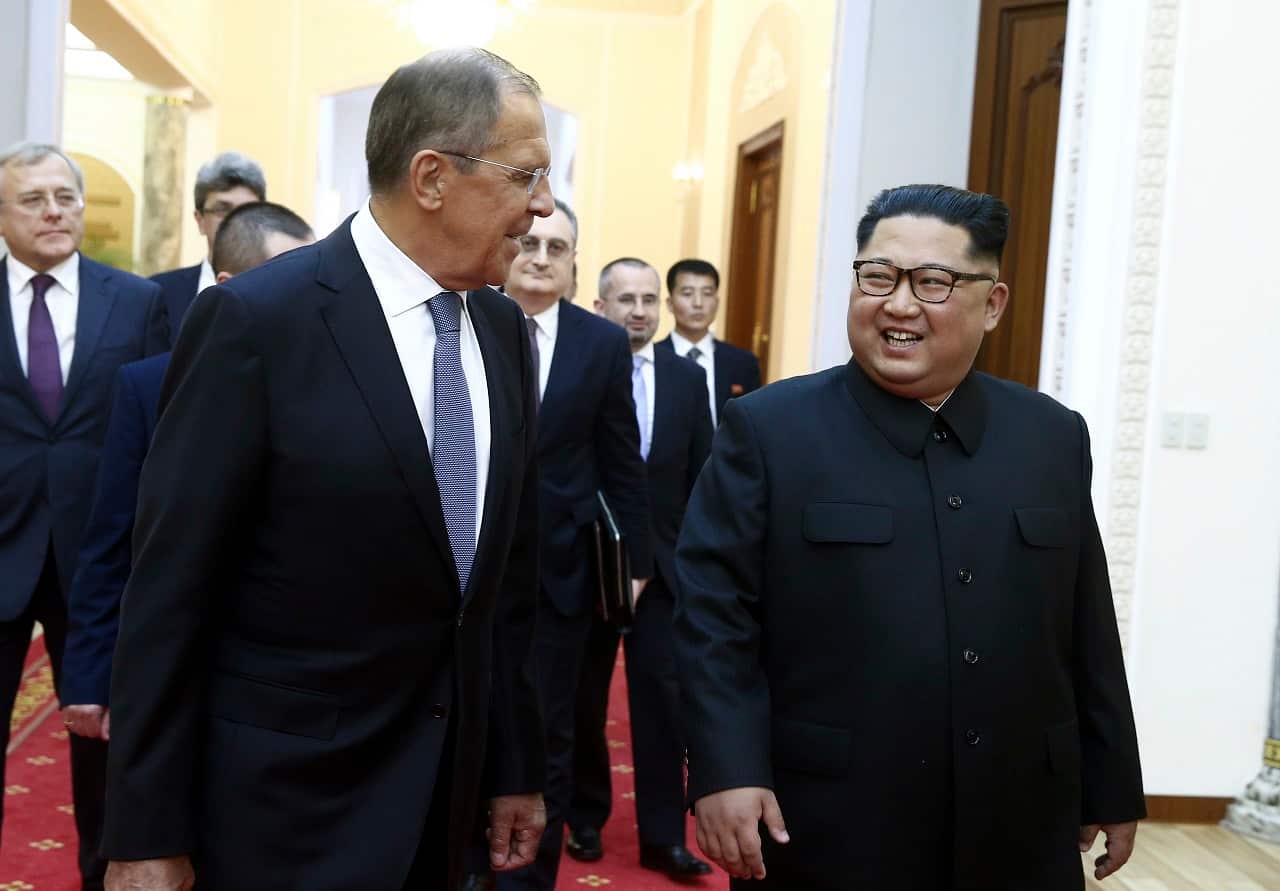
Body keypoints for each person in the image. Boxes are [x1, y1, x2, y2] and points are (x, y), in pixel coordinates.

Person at [100, 48, 551, 890]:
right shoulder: (254, 324)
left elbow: (506, 586)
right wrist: (144, 831)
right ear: (431, 178)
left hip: (444, 803)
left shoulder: (504, 336)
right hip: (282, 815)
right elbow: (169, 591)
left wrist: (514, 764)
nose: (544, 206)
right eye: (527, 176)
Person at [674, 184, 1145, 890]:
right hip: (828, 821)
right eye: (878, 276)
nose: (897, 304)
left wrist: (1111, 778)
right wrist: (725, 767)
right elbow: (714, 615)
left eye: (932, 283)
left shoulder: (1051, 436)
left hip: (1018, 819)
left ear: (992, 304)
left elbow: (1085, 623)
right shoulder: (770, 431)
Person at [60, 201, 316, 748]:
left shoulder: (331, 388)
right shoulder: (148, 387)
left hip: (282, 680)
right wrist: (88, 675)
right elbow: (110, 541)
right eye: (290, 280)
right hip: (164, 658)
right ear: (227, 288)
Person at [0, 141, 168, 891]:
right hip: (1, 549)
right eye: (33, 199)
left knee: (105, 748)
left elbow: (162, 435)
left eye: (66, 195)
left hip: (100, 562)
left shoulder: (136, 302)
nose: (54, 211)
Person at [494, 201, 652, 891]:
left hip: (563, 576)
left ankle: (531, 878)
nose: (540, 255)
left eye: (556, 246)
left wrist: (637, 563)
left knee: (552, 735)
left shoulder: (600, 343)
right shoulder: (467, 318)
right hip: (471, 573)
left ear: (573, 262)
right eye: (528, 241)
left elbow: (623, 462)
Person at [581, 257, 713, 878]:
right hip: (593, 563)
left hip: (665, 570)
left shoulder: (687, 381)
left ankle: (665, 837)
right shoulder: (581, 369)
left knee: (662, 704)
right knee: (581, 698)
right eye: (625, 299)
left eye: (648, 299)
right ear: (602, 305)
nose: (639, 310)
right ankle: (583, 819)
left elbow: (703, 477)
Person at [149, 151, 266, 337]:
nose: (235, 220)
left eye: (247, 210)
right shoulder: (158, 292)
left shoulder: (280, 291)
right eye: (222, 209)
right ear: (200, 220)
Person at [654, 258, 761, 425]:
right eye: (687, 293)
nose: (698, 303)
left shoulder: (743, 363)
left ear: (717, 302)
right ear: (669, 303)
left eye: (707, 293)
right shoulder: (652, 359)